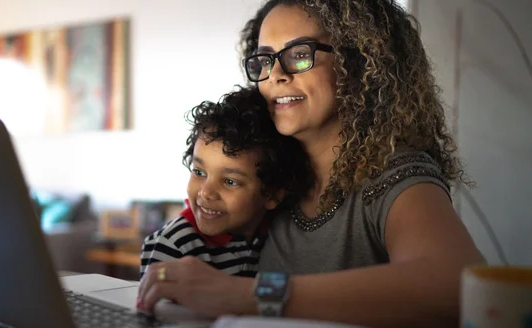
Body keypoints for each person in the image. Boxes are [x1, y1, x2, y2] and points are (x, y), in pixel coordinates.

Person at [137, 1, 486, 327]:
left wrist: (244, 295)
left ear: (359, 62)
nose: (275, 75)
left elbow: (456, 282)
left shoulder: (393, 175)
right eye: (264, 60)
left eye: (299, 54)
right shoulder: (271, 176)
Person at [139, 87, 312, 281]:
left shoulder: (278, 234)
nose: (206, 192)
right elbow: (155, 308)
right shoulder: (174, 245)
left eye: (230, 181)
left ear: (272, 194)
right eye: (199, 172)